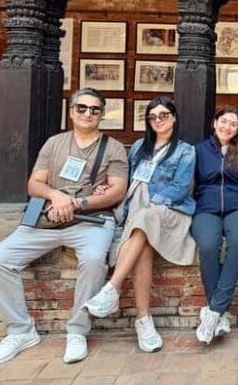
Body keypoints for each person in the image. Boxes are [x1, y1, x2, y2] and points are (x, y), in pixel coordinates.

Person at [0, 88, 128, 366]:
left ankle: (77, 330)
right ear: (72, 111)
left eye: (95, 109)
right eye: (82, 108)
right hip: (47, 219)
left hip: (91, 220)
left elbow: (116, 192)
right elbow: (35, 183)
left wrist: (77, 203)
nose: (88, 113)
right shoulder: (54, 143)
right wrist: (57, 197)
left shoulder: (113, 147)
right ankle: (20, 331)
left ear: (102, 114)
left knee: (96, 259)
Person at [83, 97, 196, 352]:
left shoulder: (186, 150)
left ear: (174, 117)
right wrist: (109, 188)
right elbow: (125, 180)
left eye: (164, 115)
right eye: (153, 116)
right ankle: (143, 320)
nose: (158, 120)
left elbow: (180, 188)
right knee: (142, 242)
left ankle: (112, 287)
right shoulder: (137, 147)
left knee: (145, 220)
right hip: (135, 208)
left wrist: (153, 203)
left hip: (169, 210)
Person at [191, 106, 238, 345]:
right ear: (214, 123)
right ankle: (220, 312)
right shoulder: (198, 150)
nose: (227, 127)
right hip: (205, 207)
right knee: (208, 245)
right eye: (223, 121)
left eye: (233, 124)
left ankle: (213, 311)